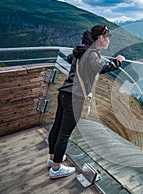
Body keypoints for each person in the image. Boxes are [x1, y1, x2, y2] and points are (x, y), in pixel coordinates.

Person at [47, 24, 125, 179]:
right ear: (100, 38)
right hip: (75, 97)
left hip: (64, 93)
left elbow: (71, 58)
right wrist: (118, 61)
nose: (109, 40)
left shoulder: (80, 50)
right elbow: (101, 67)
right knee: (64, 133)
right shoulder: (91, 54)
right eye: (108, 37)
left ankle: (52, 158)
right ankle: (56, 169)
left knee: (56, 127)